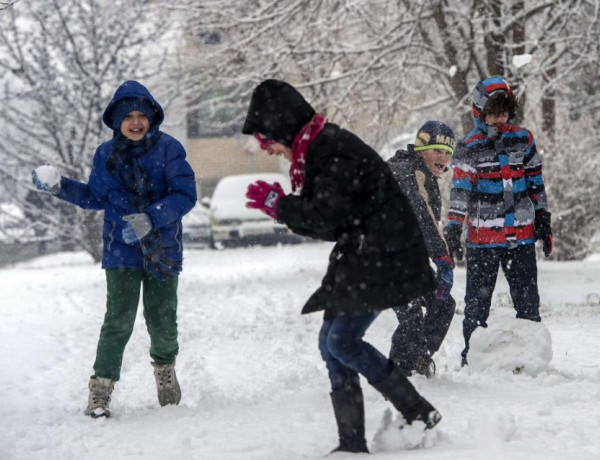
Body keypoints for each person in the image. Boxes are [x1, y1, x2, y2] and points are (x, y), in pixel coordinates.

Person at [242, 79, 441, 455]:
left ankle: (418, 411)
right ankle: (352, 443)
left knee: (342, 340)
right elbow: (332, 223)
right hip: (365, 251)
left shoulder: (330, 150)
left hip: (384, 253)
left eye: (267, 140)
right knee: (331, 343)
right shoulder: (317, 149)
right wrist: (281, 207)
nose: (269, 150)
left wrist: (281, 206)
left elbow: (325, 214)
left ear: (282, 127)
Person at [31, 80, 197, 417]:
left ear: (151, 118)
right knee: (118, 320)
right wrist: (59, 186)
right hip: (119, 248)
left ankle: (164, 370)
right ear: (116, 120)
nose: (135, 122)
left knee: (162, 320)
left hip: (163, 249)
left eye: (141, 115)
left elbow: (185, 195)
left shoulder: (169, 149)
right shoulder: (106, 154)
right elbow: (95, 197)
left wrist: (150, 218)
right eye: (128, 116)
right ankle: (101, 388)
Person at [444, 75, 553, 367]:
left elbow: (535, 182)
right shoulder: (470, 146)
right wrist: (454, 226)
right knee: (477, 305)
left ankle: (531, 358)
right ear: (479, 112)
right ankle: (472, 358)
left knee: (528, 301)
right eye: (492, 113)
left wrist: (543, 217)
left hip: (521, 237)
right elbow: (460, 190)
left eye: (504, 112)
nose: (499, 119)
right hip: (483, 241)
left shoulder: (523, 139)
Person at [387, 121, 457, 378]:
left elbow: (427, 223)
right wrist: (443, 258)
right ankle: (397, 374)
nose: (443, 158)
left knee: (443, 304)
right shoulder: (407, 172)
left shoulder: (424, 175)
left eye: (448, 153)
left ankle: (417, 358)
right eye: (437, 150)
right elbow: (424, 216)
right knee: (411, 314)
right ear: (421, 148)